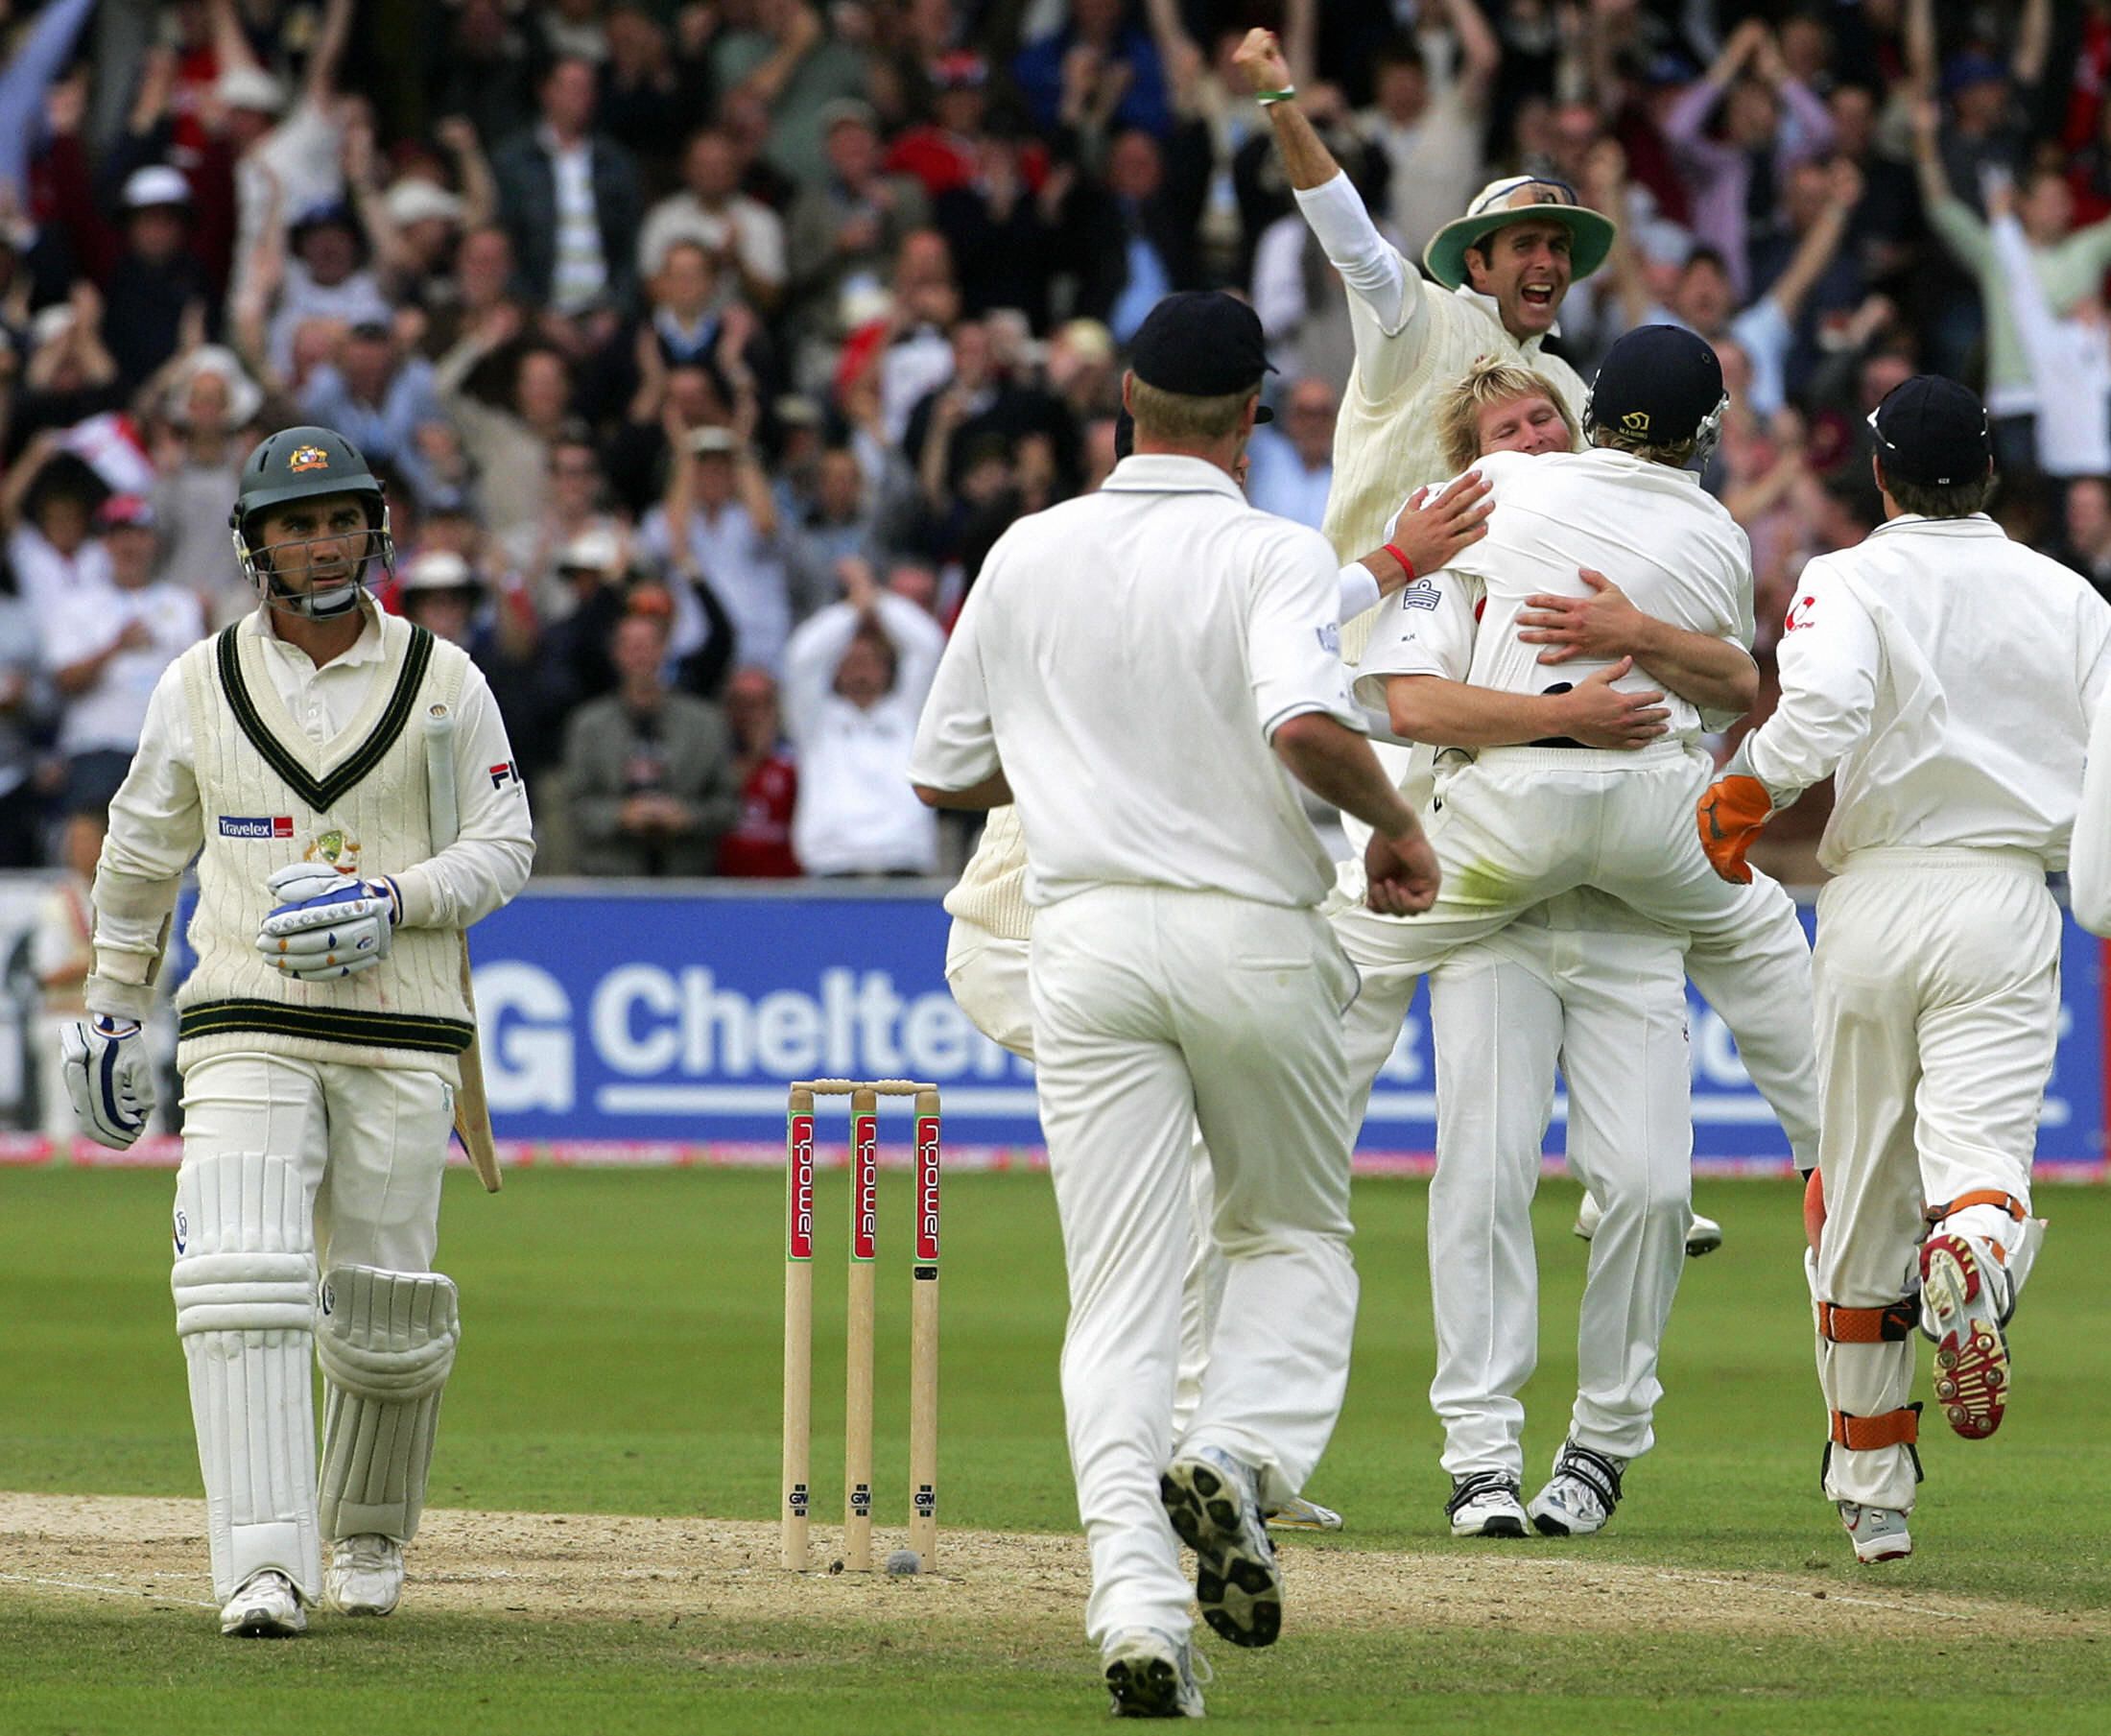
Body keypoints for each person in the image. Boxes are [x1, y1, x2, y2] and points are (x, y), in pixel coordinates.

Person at [911, 291, 1439, 1718]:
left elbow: (946, 768)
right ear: (1255, 418)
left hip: (1085, 943)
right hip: (1250, 936)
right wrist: (1392, 823)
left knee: (1121, 1300)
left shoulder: (1029, 549)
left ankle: (1137, 1609)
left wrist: (1091, 762)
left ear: (1123, 400)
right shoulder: (1270, 550)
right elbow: (1306, 729)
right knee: (1288, 1233)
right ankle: (1243, 1452)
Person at [1338, 328, 1821, 1527]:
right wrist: (1563, 723)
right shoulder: (1460, 517)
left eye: (1545, 418)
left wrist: (1636, 637)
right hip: (1502, 897)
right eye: (1507, 428)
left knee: (1655, 1192)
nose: (1530, 438)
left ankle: (1602, 1446)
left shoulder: (1694, 529)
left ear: (1588, 415)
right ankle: (1481, 1456)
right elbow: (1412, 704)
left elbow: (1733, 681)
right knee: (1485, 1176)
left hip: (1623, 914)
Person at [59, 426, 534, 1635]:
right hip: (244, 1016)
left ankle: (369, 1531)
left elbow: (506, 845)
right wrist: (113, 1002)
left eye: (340, 522)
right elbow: (139, 855)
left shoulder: (445, 678)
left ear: (373, 531)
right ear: (256, 543)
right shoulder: (196, 683)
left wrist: (395, 901)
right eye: (295, 525)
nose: (322, 544)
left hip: (404, 1026)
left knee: (383, 1305)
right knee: (240, 1274)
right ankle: (263, 1566)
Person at [1698, 376, 2111, 1564]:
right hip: (2001, 901)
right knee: (1980, 1164)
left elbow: (1819, 706)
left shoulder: (1848, 577)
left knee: (1856, 1198)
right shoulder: (2071, 598)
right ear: (1989, 476)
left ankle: (1875, 1491)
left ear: (1878, 478)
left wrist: (1747, 786)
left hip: (1871, 901)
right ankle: (1969, 1261)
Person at [784, 558, 944, 877]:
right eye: (851, 662)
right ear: (837, 670)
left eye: (870, 661)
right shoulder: (814, 719)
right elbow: (802, 657)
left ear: (887, 667)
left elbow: (929, 645)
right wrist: (852, 609)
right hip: (832, 863)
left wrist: (877, 600)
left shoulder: (910, 712)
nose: (861, 671)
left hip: (904, 860)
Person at [563, 606, 740, 877]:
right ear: (616, 653)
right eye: (631, 646)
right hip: (609, 877)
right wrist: (621, 816)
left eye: (648, 645)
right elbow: (574, 804)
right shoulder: (590, 725)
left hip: (688, 876)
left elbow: (729, 805)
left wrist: (687, 817)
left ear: (665, 650)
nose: (640, 655)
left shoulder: (705, 723)